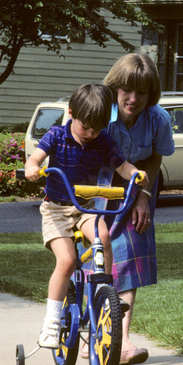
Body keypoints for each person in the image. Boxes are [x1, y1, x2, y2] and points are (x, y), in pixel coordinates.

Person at [25, 83, 146, 349]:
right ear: (71, 113)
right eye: (86, 127)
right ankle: (51, 324)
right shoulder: (56, 135)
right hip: (56, 210)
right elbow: (35, 158)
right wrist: (32, 166)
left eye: (97, 129)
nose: (91, 134)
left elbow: (122, 166)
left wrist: (135, 174)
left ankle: (105, 294)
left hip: (86, 208)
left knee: (103, 237)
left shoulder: (103, 141)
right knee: (67, 261)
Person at [102, 54, 176, 365]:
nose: (134, 99)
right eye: (127, 91)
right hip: (96, 188)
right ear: (114, 89)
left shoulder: (158, 119)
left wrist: (144, 196)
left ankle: (121, 341)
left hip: (136, 189)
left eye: (142, 92)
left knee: (128, 261)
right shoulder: (99, 112)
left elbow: (155, 157)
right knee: (96, 257)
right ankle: (91, 330)